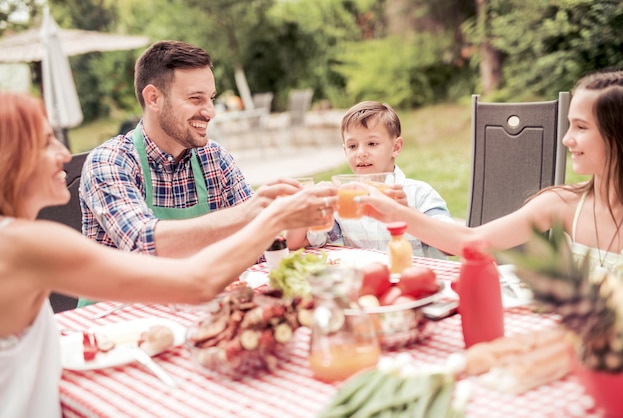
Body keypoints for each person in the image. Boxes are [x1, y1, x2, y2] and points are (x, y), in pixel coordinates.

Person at [0, 91, 336, 417]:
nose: (64, 152)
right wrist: (270, 216)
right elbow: (196, 281)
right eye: (46, 142)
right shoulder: (27, 245)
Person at [356, 70, 623, 273]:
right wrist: (394, 212)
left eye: (581, 127)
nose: (566, 139)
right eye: (569, 126)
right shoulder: (561, 204)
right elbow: (471, 240)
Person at [80, 40, 290, 258]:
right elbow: (141, 243)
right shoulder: (110, 161)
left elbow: (262, 241)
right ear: (154, 99)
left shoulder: (213, 157)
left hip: (199, 291)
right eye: (195, 99)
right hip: (127, 293)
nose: (210, 112)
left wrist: (309, 214)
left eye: (211, 99)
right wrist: (246, 214)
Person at [287, 101, 453, 259]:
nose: (361, 153)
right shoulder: (343, 201)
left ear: (396, 147)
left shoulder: (419, 194)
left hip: (416, 283)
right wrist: (308, 206)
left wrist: (407, 213)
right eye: (353, 146)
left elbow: (451, 245)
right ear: (345, 151)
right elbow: (295, 242)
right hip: (368, 284)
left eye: (372, 143)